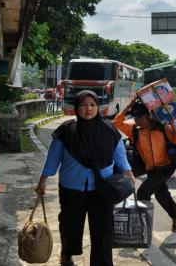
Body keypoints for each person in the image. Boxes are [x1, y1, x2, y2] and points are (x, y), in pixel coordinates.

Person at [35, 90, 135, 266]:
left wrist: (129, 174)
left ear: (98, 107)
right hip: (72, 188)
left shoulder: (110, 129)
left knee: (103, 230)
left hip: (103, 189)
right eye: (83, 105)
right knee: (70, 226)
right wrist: (42, 181)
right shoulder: (66, 131)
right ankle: (67, 254)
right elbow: (53, 158)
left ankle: (102, 262)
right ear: (76, 108)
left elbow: (120, 156)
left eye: (92, 105)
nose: (88, 109)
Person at [113, 99, 176, 232]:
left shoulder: (162, 127)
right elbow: (115, 123)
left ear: (148, 115)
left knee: (142, 193)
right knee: (161, 195)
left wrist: (172, 123)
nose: (138, 121)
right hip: (151, 169)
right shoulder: (134, 128)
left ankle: (142, 227)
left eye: (141, 118)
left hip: (166, 167)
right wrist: (128, 105)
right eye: (136, 118)